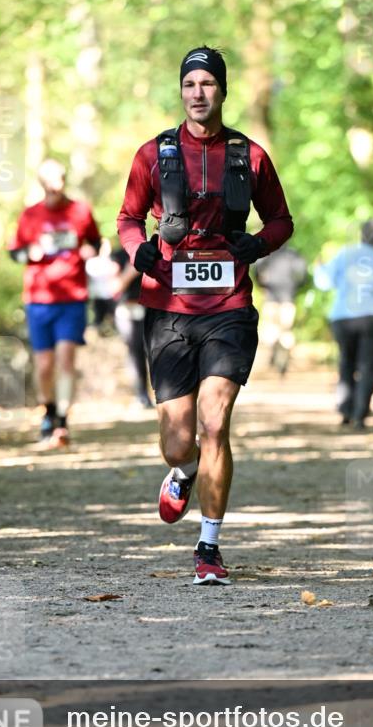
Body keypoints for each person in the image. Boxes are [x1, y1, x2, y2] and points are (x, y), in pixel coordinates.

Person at [117, 46, 293, 585]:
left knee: (216, 421)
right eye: (190, 83)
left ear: (222, 90)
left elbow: (282, 221)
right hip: (168, 309)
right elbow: (127, 217)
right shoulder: (153, 153)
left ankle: (209, 546)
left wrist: (255, 245)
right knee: (178, 441)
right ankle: (184, 469)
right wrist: (139, 250)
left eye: (208, 84)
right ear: (181, 91)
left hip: (230, 308)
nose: (199, 92)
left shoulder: (250, 155)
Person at [9, 158, 101, 448]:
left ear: (64, 181)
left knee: (65, 359)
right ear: (41, 183)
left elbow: (96, 244)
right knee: (44, 364)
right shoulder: (30, 215)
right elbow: (14, 253)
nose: (55, 185)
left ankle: (62, 419)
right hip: (38, 299)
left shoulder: (80, 211)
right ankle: (47, 410)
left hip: (72, 298)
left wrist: (89, 251)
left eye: (59, 179)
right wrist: (31, 253)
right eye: (49, 180)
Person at [314, 219, 373, 430]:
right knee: (368, 366)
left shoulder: (345, 254)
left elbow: (324, 283)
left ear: (361, 235)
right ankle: (361, 414)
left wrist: (319, 269)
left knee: (347, 362)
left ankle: (346, 410)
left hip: (344, 317)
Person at [109, 244, 153, 409]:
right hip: (128, 310)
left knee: (155, 352)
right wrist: (132, 268)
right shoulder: (118, 256)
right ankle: (141, 395)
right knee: (135, 354)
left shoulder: (153, 249)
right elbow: (114, 287)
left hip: (150, 309)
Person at [254, 244, 308, 376]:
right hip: (288, 296)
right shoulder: (293, 254)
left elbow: (256, 268)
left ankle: (274, 358)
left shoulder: (268, 252)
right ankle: (282, 360)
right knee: (286, 330)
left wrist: (262, 285)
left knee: (272, 329)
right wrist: (296, 287)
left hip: (270, 295)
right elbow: (303, 272)